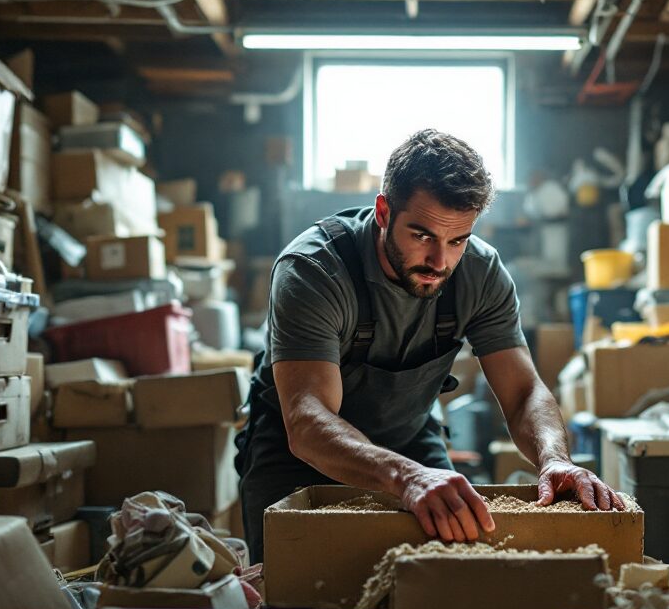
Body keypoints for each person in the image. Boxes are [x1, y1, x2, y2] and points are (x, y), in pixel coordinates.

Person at [235, 129, 624, 564]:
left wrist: (553, 459)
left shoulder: (479, 273)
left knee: (441, 583)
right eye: (422, 236)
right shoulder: (313, 270)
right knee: (297, 594)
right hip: (297, 453)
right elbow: (307, 420)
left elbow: (523, 393)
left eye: (457, 240)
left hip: (410, 442)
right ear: (383, 211)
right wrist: (406, 477)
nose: (440, 262)